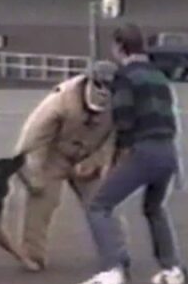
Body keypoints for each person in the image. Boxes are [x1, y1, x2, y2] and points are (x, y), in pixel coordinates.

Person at [72, 23, 188, 284]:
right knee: (154, 208)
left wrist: (114, 160)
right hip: (167, 150)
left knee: (99, 206)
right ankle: (171, 269)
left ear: (118, 47)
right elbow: (170, 116)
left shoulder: (125, 77)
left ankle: (112, 269)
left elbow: (123, 120)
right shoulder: (159, 76)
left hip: (143, 150)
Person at [9, 60, 125, 270]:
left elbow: (115, 139)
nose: (105, 91)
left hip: (88, 156)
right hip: (54, 154)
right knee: (41, 203)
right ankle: (33, 255)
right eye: (100, 85)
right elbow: (33, 139)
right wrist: (32, 175)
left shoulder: (121, 104)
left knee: (102, 203)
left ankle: (117, 253)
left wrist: (96, 161)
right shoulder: (61, 100)